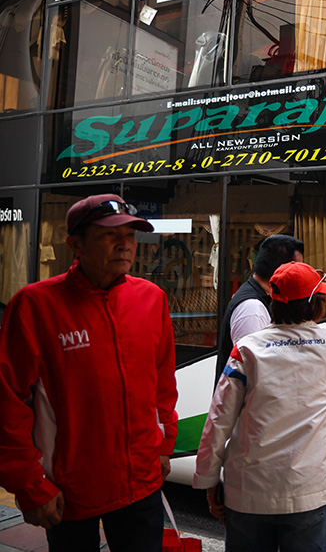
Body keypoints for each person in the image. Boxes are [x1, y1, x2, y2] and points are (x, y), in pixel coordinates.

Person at [0, 193, 178, 552]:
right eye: (110, 235)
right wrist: (29, 485)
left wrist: (163, 446)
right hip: (68, 492)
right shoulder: (35, 306)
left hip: (141, 484)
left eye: (130, 236)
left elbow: (162, 383)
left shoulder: (151, 298)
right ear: (75, 244)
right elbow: (8, 401)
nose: (125, 245)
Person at [194, 261, 326, 552]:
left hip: (248, 493)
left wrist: (208, 480)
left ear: (273, 303)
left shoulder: (247, 349)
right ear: (314, 305)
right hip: (308, 495)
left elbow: (218, 421)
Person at [215, 234, 304, 384]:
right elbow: (255, 372)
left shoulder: (262, 297)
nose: (299, 275)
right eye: (296, 268)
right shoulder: (252, 309)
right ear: (280, 269)